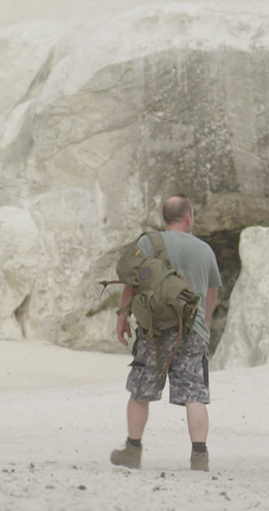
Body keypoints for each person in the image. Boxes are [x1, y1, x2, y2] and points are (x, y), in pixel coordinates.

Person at [110, 194, 221, 472]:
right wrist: (203, 324)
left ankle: (133, 451)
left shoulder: (148, 243)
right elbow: (211, 293)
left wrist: (123, 317)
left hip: (154, 332)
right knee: (194, 393)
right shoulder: (205, 250)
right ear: (188, 217)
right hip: (192, 330)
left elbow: (132, 283)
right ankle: (199, 458)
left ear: (165, 218)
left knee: (140, 390)